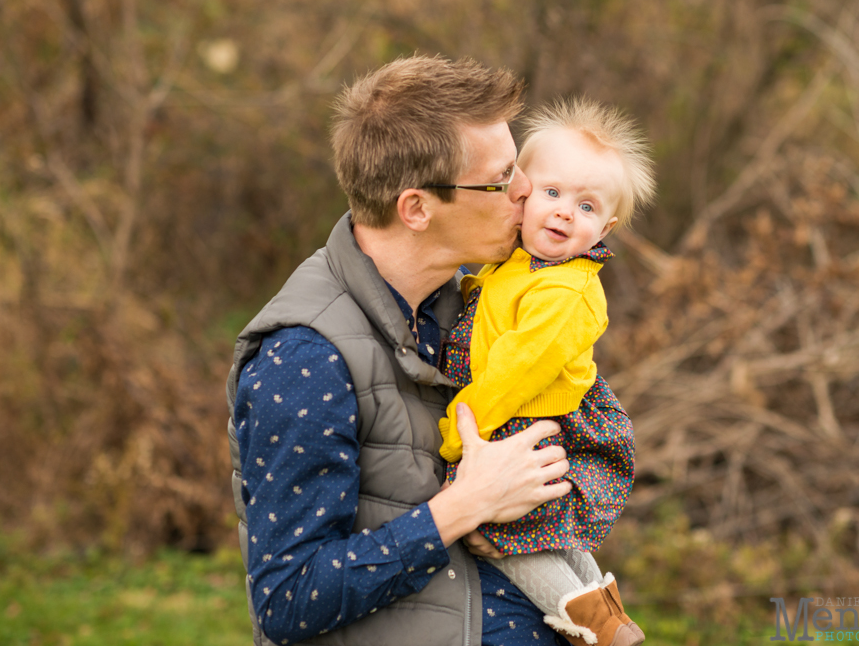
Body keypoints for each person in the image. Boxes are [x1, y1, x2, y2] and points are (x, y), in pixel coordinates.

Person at [225, 55, 630, 646]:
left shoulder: (470, 302)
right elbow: (289, 601)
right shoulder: (305, 358)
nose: (527, 192)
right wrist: (461, 507)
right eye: (500, 179)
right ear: (416, 208)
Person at [438, 97, 654, 646]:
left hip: (520, 416)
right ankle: (610, 619)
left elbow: (514, 368)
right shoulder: (520, 259)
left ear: (606, 226)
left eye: (586, 207)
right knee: (552, 528)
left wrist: (459, 432)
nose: (563, 212)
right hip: (521, 413)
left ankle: (588, 621)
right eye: (553, 194)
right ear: (521, 192)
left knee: (502, 531)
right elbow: (495, 297)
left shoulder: (566, 289)